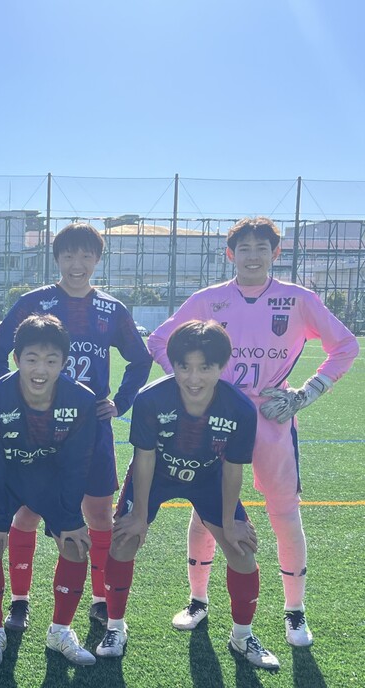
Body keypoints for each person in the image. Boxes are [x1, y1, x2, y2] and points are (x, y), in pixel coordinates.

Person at [147, 217, 359, 646]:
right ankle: (198, 600)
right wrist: (194, 385)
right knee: (205, 509)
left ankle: (295, 611)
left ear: (276, 253)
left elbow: (345, 346)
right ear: (231, 254)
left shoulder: (298, 299)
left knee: (284, 511)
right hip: (216, 415)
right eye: (244, 248)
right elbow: (159, 341)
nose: (253, 255)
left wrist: (306, 393)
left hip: (272, 417)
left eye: (262, 247)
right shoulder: (208, 300)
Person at [0, 222, 152, 631]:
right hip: (35, 427)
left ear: (97, 259)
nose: (77, 264)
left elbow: (141, 359)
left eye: (86, 256)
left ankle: (100, 599)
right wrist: (17, 399)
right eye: (69, 255)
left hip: (90, 425)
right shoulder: (34, 302)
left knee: (98, 513)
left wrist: (120, 402)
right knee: (26, 513)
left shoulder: (111, 309)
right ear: (56, 258)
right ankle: (20, 601)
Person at [96, 320, 279, 670]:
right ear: (174, 365)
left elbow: (232, 468)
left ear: (221, 366)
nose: (193, 378)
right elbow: (144, 458)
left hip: (208, 478)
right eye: (184, 367)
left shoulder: (240, 408)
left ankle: (242, 637)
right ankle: (115, 628)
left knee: (241, 550)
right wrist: (139, 515)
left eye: (205, 368)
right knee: (124, 540)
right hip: (157, 475)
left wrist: (229, 522)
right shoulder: (150, 399)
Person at [0, 314, 98, 667]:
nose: (40, 369)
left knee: (75, 546)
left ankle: (60, 631)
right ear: (16, 359)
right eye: (32, 359)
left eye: (51, 360)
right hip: (8, 479)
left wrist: (70, 518)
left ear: (64, 362)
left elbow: (77, 465)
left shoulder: (82, 400)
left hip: (53, 481)